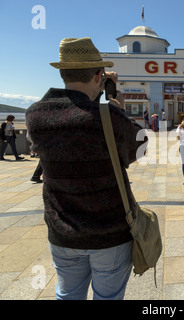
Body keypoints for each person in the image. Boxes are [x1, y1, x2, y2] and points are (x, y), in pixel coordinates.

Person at [25, 37, 147, 300]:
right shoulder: (108, 117)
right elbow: (140, 147)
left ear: (62, 72)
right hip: (109, 233)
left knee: (67, 294)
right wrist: (118, 107)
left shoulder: (35, 115)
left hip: (62, 231)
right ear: (99, 75)